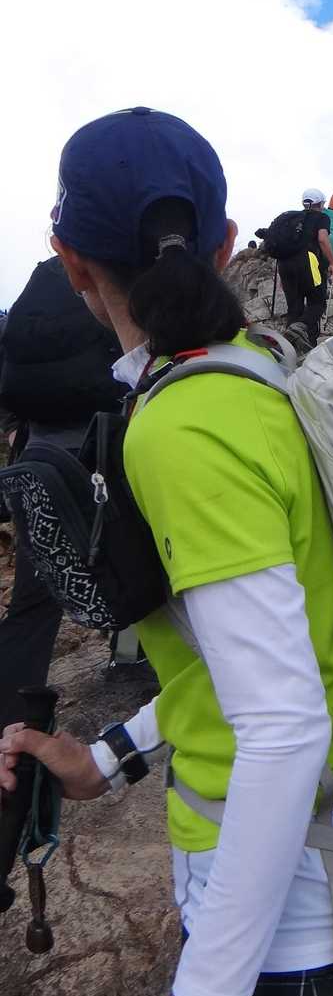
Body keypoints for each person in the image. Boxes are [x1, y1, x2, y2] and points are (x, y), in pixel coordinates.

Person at [0, 106, 333, 996]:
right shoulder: (256, 374)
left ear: (72, 264)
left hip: (297, 923)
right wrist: (107, 760)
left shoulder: (186, 425)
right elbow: (248, 656)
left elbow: (285, 725)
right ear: (226, 246)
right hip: (310, 888)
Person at [0, 257, 126, 728]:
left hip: (39, 457)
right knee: (136, 557)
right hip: (107, 445)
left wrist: (16, 426)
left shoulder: (39, 289)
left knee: (33, 601)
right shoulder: (112, 275)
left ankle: (13, 726)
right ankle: (133, 655)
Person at [279, 189, 333, 352]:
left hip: (285, 265)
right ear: (320, 203)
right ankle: (305, 338)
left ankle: (289, 350)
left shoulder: (292, 219)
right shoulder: (321, 217)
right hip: (308, 263)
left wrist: (282, 278)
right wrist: (332, 262)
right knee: (317, 303)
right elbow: (322, 239)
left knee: (294, 308)